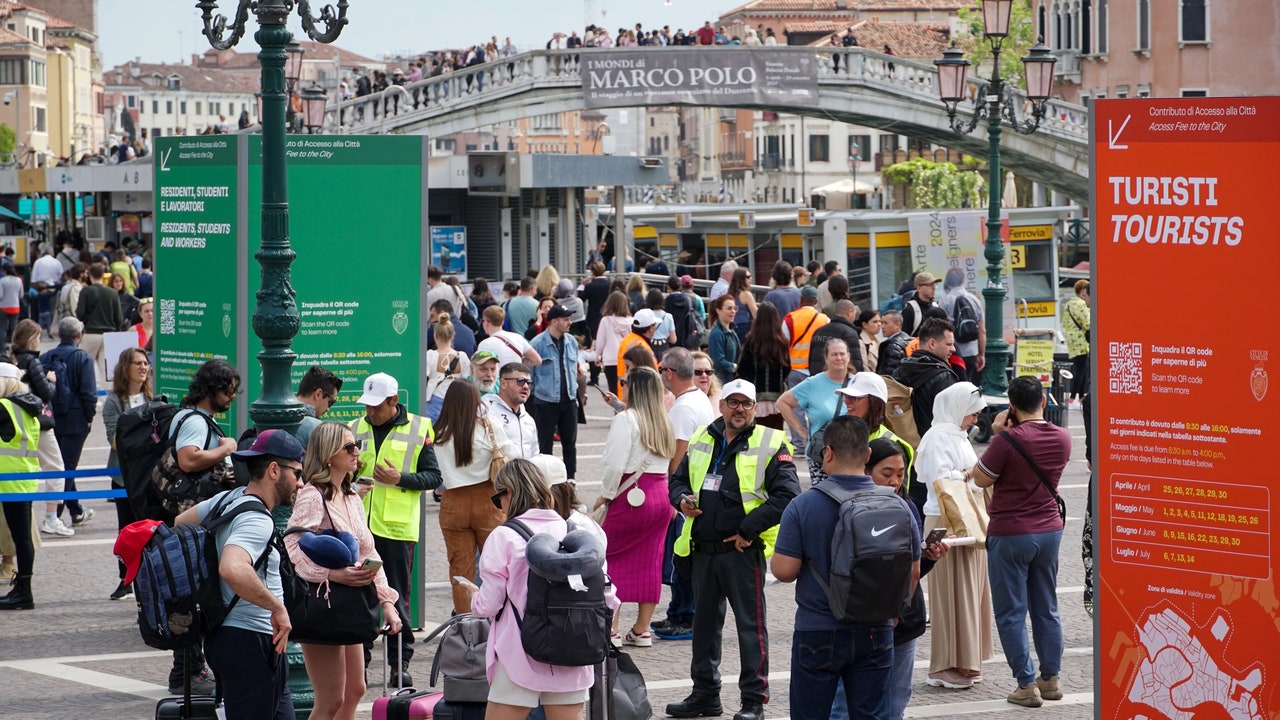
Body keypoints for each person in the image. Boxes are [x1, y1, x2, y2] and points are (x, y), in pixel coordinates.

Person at [770, 416, 922, 720]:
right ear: (867, 456)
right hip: (876, 627)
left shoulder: (804, 505)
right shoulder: (897, 504)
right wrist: (893, 611)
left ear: (827, 453)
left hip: (819, 628)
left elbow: (783, 571)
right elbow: (913, 569)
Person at [666, 379, 798, 720]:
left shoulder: (770, 441)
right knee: (704, 628)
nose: (739, 409)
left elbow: (787, 496)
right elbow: (677, 479)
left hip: (741, 552)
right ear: (722, 404)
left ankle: (754, 701)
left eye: (746, 404)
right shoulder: (702, 436)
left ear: (755, 409)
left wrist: (747, 530)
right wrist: (681, 499)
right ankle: (705, 695)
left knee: (750, 629)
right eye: (733, 402)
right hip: (702, 551)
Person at [465, 459, 620, 720]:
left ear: (510, 493)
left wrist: (473, 597)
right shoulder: (577, 533)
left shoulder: (504, 536)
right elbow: (609, 596)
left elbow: (489, 605)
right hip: (575, 648)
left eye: (497, 497)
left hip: (520, 652)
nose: (498, 505)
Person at [173, 430, 306, 720]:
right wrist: (277, 607)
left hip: (233, 637)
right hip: (249, 642)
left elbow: (180, 523)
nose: (300, 482)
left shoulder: (229, 499)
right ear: (274, 470)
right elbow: (232, 568)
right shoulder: (256, 519)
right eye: (296, 472)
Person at [286, 422, 403, 720]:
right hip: (325, 603)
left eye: (356, 446)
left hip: (350, 602)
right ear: (328, 455)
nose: (356, 452)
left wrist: (387, 602)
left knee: (355, 691)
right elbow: (292, 546)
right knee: (331, 699)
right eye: (348, 448)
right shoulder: (313, 495)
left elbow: (369, 552)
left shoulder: (352, 497)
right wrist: (331, 575)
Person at [972, 375, 1071, 708]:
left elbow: (981, 477)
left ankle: (1026, 684)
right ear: (1043, 401)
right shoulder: (1063, 438)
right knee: (1047, 607)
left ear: (1011, 407)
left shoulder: (1007, 440)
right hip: (1049, 531)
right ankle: (1051, 678)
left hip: (1011, 532)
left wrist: (1001, 434)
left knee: (1011, 612)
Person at [349, 371, 441, 687]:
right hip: (360, 526)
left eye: (376, 406)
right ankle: (360, 661)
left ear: (393, 401)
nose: (370, 412)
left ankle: (399, 664)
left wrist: (400, 479)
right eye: (367, 405)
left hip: (396, 529)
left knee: (396, 598)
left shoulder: (419, 427)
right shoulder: (356, 427)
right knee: (360, 595)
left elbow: (433, 477)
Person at [915, 381, 991, 690]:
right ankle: (947, 664)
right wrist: (970, 473)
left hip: (966, 517)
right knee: (949, 593)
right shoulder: (937, 438)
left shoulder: (957, 436)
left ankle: (965, 660)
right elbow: (940, 480)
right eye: (971, 414)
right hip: (944, 519)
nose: (974, 420)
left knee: (968, 591)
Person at [591, 366, 674, 648]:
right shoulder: (663, 420)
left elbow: (615, 463)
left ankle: (612, 628)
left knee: (610, 557)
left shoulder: (626, 420)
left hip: (631, 494)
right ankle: (642, 628)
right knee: (651, 560)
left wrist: (606, 494)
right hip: (660, 494)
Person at [435, 380, 519, 614]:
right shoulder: (487, 426)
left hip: (452, 503)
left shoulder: (439, 431)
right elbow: (513, 454)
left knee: (460, 569)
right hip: (487, 500)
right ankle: (499, 618)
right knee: (496, 565)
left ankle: (465, 625)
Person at [649, 348, 712, 640]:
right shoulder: (697, 400)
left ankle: (685, 616)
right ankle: (679, 611)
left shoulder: (684, 407)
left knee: (681, 559)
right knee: (683, 557)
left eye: (663, 371)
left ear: (669, 373)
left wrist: (673, 494)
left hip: (684, 493)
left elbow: (679, 454)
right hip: (695, 489)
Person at [40, 317, 99, 529]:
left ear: (58, 334)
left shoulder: (47, 355)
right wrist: (90, 416)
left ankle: (75, 510)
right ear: (79, 335)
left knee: (63, 464)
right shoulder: (82, 357)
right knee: (68, 467)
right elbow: (88, 392)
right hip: (76, 418)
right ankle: (54, 516)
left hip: (52, 417)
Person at [0, 363, 49, 610]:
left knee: (20, 537)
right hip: (25, 477)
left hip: (9, 480)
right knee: (22, 537)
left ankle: (24, 591)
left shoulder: (5, 407)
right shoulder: (27, 406)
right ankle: (23, 586)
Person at [105, 347, 151, 600]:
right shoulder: (114, 401)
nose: (143, 367)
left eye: (145, 363)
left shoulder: (153, 397)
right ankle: (125, 579)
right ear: (126, 367)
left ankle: (149, 577)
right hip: (123, 476)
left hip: (150, 476)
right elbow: (114, 440)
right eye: (137, 363)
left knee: (150, 528)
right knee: (126, 530)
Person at [777, 339, 855, 485]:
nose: (839, 358)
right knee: (825, 502)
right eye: (834, 354)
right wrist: (801, 432)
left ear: (849, 356)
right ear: (826, 358)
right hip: (821, 456)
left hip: (852, 456)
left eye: (842, 354)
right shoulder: (813, 383)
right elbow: (782, 403)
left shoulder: (858, 383)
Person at [529, 304, 584, 481]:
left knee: (570, 444)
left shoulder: (571, 342)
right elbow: (531, 376)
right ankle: (547, 480)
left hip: (568, 399)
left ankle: (570, 479)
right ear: (554, 321)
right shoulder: (537, 344)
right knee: (545, 445)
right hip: (546, 401)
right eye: (566, 319)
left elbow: (574, 370)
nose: (570, 323)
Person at [893, 318, 960, 437]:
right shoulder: (944, 377)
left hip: (906, 443)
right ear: (932, 344)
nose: (953, 349)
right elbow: (954, 420)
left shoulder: (899, 371)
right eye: (949, 344)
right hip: (936, 444)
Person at [735, 302, 790, 429]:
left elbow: (742, 369)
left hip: (755, 395)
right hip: (777, 397)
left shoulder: (751, 341)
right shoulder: (782, 343)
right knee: (775, 436)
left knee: (755, 435)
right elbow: (787, 368)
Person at [74, 263, 122, 382]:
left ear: (90, 275)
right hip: (109, 335)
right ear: (103, 275)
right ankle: (107, 397)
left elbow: (79, 314)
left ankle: (87, 393)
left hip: (91, 333)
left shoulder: (86, 291)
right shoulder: (113, 293)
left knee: (83, 367)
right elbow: (119, 318)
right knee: (107, 371)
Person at [483, 362, 540, 459]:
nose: (526, 386)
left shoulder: (528, 420)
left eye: (529, 383)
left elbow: (535, 454)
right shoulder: (485, 410)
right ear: (503, 383)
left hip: (525, 472)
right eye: (520, 381)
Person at [938, 269, 985, 385]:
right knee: (971, 385)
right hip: (972, 352)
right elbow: (982, 330)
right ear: (963, 281)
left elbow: (941, 328)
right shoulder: (974, 300)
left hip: (953, 352)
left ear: (948, 282)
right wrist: (981, 354)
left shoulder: (944, 301)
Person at [425, 314, 471, 422]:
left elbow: (424, 380)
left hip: (433, 401)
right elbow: (467, 379)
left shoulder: (430, 355)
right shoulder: (462, 357)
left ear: (435, 336)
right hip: (456, 402)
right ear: (452, 336)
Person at [781, 286, 828, 386]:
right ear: (815, 301)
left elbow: (782, 346)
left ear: (801, 299)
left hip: (795, 371)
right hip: (818, 371)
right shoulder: (825, 320)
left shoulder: (790, 318)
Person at [591, 291, 633, 395]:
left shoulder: (606, 320)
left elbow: (601, 341)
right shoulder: (631, 321)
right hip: (626, 359)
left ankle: (616, 409)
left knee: (613, 389)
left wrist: (597, 356)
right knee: (627, 388)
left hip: (610, 359)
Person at [808, 299, 863, 375]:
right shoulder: (849, 333)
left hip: (817, 378)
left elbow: (811, 359)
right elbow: (856, 362)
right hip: (839, 379)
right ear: (850, 312)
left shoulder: (818, 331)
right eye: (854, 313)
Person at [292, 365, 343, 449]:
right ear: (318, 394)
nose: (328, 409)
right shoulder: (316, 428)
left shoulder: (275, 415)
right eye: (330, 402)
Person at [477, 305, 542, 370]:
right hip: (517, 378)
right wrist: (517, 363)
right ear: (502, 323)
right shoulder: (518, 337)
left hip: (499, 379)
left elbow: (480, 368)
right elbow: (537, 360)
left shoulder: (485, 344)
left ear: (486, 322)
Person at [1062, 279, 1090, 402]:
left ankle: (1079, 397)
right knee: (1081, 369)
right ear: (1083, 291)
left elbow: (1064, 322)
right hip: (1081, 341)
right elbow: (1088, 323)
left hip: (1072, 341)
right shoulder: (1081, 304)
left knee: (1080, 368)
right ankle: (1074, 398)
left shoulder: (1068, 304)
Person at [707, 294, 741, 385]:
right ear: (718, 310)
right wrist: (734, 366)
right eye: (729, 308)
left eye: (735, 308)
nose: (733, 311)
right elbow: (718, 361)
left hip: (731, 380)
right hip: (721, 382)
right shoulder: (717, 334)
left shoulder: (733, 332)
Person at [578, 261, 611, 343]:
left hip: (593, 317)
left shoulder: (590, 286)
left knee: (595, 340)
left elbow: (580, 299)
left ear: (592, 272)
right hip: (608, 315)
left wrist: (582, 285)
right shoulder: (611, 284)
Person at [901, 271, 941, 337]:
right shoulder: (910, 310)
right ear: (919, 288)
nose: (933, 288)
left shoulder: (936, 306)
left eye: (935, 284)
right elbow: (904, 337)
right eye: (929, 285)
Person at [877, 310, 911, 377]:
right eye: (882, 323)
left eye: (885, 323)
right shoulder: (909, 340)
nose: (882, 326)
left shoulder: (893, 346)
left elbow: (889, 375)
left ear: (897, 325)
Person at [727, 269, 757, 342]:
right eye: (748, 277)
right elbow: (756, 314)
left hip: (731, 328)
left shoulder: (729, 294)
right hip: (744, 329)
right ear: (741, 279)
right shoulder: (746, 294)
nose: (751, 279)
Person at [691, 351, 723, 418]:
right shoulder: (678, 401)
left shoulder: (722, 397)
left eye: (708, 372)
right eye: (698, 372)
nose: (704, 375)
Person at [855, 310, 883, 374]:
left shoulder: (878, 342)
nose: (879, 324)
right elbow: (864, 369)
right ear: (864, 324)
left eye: (880, 321)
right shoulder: (861, 343)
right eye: (875, 322)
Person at [0, 264, 22, 342]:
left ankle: (1, 348)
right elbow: (21, 295)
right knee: (14, 328)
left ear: (5, 271)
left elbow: (1, 295)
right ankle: (14, 344)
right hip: (15, 307)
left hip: (3, 307)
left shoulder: (2, 281)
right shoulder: (18, 280)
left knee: (2, 328)